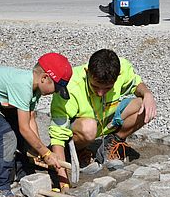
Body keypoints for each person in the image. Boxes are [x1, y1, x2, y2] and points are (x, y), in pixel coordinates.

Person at [0, 53, 72, 197]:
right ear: (45, 78)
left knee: (18, 132)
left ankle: (21, 171)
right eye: (56, 88)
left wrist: (37, 150)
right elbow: (25, 129)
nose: (55, 92)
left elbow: (30, 119)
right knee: (5, 135)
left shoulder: (35, 88)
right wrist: (46, 153)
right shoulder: (23, 85)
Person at [49, 49, 156, 180]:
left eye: (107, 88)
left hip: (103, 120)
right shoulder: (70, 87)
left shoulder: (122, 69)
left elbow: (135, 84)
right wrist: (62, 179)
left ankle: (111, 144)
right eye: (95, 86)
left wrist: (147, 94)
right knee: (89, 126)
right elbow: (58, 134)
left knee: (143, 106)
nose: (100, 93)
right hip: (78, 130)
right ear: (87, 72)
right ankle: (77, 151)